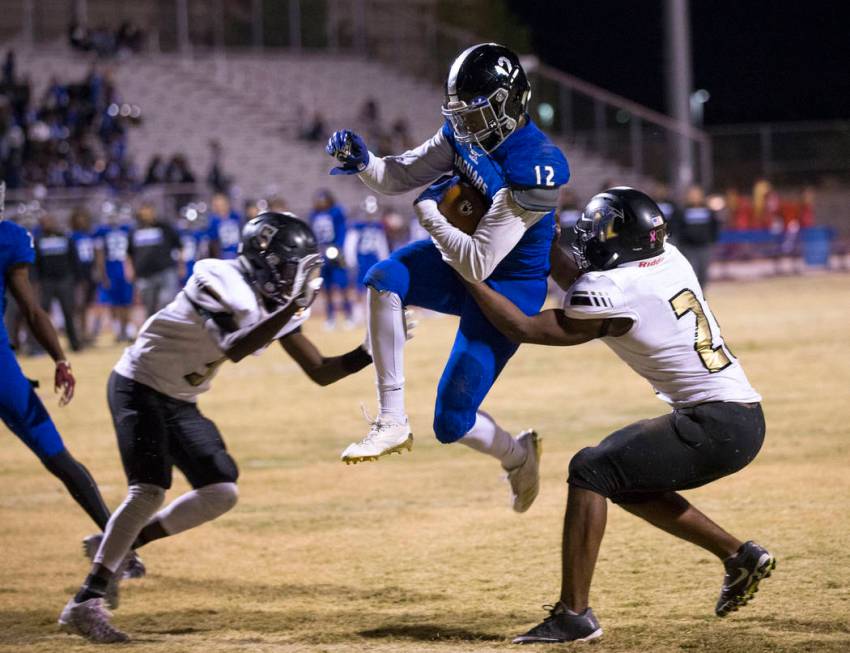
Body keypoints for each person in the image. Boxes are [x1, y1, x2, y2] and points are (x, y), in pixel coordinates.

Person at [58, 212, 391, 643]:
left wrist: (372, 349)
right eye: (291, 266)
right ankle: (84, 602)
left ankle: (118, 547)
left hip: (178, 398)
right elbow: (234, 346)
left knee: (221, 491)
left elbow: (320, 371)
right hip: (137, 385)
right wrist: (293, 305)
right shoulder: (217, 276)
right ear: (265, 260)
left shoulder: (273, 303)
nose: (296, 277)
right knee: (149, 490)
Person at [463, 187, 772, 644]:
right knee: (621, 481)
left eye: (598, 228)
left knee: (591, 468)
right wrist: (545, 244)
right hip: (738, 416)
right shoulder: (667, 258)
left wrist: (466, 272)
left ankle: (574, 615)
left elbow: (523, 327)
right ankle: (738, 556)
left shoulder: (616, 289)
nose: (587, 236)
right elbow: (590, 284)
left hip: (716, 423)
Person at [325, 43, 570, 513]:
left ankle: (518, 456)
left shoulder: (535, 162)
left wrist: (429, 214)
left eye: (475, 113)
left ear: (509, 102)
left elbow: (478, 264)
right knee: (384, 277)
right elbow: (399, 176)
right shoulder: (464, 135)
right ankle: (391, 418)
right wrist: (364, 163)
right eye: (460, 114)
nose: (465, 125)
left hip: (507, 288)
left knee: (451, 421)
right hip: (463, 263)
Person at [0, 181, 113, 537]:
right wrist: (61, 361)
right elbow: (32, 311)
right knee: (55, 453)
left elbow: (31, 314)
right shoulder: (9, 238)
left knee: (56, 454)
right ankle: (121, 550)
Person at [33, 213, 82, 351]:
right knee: (43, 314)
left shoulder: (65, 237)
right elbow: (35, 264)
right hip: (46, 281)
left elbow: (74, 259)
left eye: (51, 220)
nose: (48, 223)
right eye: (45, 221)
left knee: (68, 312)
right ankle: (40, 346)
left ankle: (74, 344)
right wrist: (37, 282)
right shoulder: (38, 239)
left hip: (65, 280)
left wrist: (76, 279)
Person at [127, 202, 182, 318]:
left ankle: (167, 331)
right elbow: (129, 253)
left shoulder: (164, 227)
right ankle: (152, 333)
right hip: (144, 274)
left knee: (166, 302)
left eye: (149, 210)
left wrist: (181, 265)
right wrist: (129, 269)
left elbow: (179, 246)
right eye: (144, 210)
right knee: (149, 307)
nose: (146, 213)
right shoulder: (135, 230)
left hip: (165, 270)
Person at [309, 189, 354, 329]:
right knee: (326, 288)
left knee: (342, 285)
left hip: (335, 252)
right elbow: (312, 234)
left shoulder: (336, 212)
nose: (321, 203)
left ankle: (348, 314)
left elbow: (342, 230)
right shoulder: (314, 214)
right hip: (322, 254)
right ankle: (330, 316)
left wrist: (338, 248)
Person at [93, 206, 134, 342]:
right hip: (111, 267)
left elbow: (132, 252)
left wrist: (131, 268)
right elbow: (99, 254)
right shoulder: (101, 232)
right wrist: (103, 273)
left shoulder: (128, 229)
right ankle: (118, 329)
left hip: (123, 266)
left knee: (126, 301)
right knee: (114, 301)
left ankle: (125, 328)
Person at [668, 184, 720, 288]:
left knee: (703, 273)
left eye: (697, 194)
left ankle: (701, 295)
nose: (694, 197)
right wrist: (681, 242)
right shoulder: (681, 211)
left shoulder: (708, 210)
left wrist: (711, 240)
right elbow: (676, 228)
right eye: (692, 194)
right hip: (688, 248)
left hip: (704, 247)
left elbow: (714, 226)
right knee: (692, 272)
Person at [343, 197, 390, 301]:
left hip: (374, 258)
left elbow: (381, 244)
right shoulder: (357, 226)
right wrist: (350, 258)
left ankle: (375, 308)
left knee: (376, 284)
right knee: (360, 285)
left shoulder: (377, 226)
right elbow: (351, 244)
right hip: (362, 258)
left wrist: (384, 258)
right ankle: (358, 310)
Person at [69, 208, 97, 346]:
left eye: (84, 218)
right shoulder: (71, 237)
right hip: (77, 276)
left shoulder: (90, 235)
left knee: (86, 306)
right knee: (78, 306)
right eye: (79, 218)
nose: (82, 221)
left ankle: (85, 333)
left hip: (88, 274)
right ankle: (78, 334)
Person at [206, 193, 242, 260]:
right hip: (223, 256)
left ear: (227, 204)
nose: (220, 207)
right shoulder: (214, 221)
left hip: (238, 254)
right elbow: (213, 242)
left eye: (222, 204)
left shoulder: (236, 217)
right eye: (217, 205)